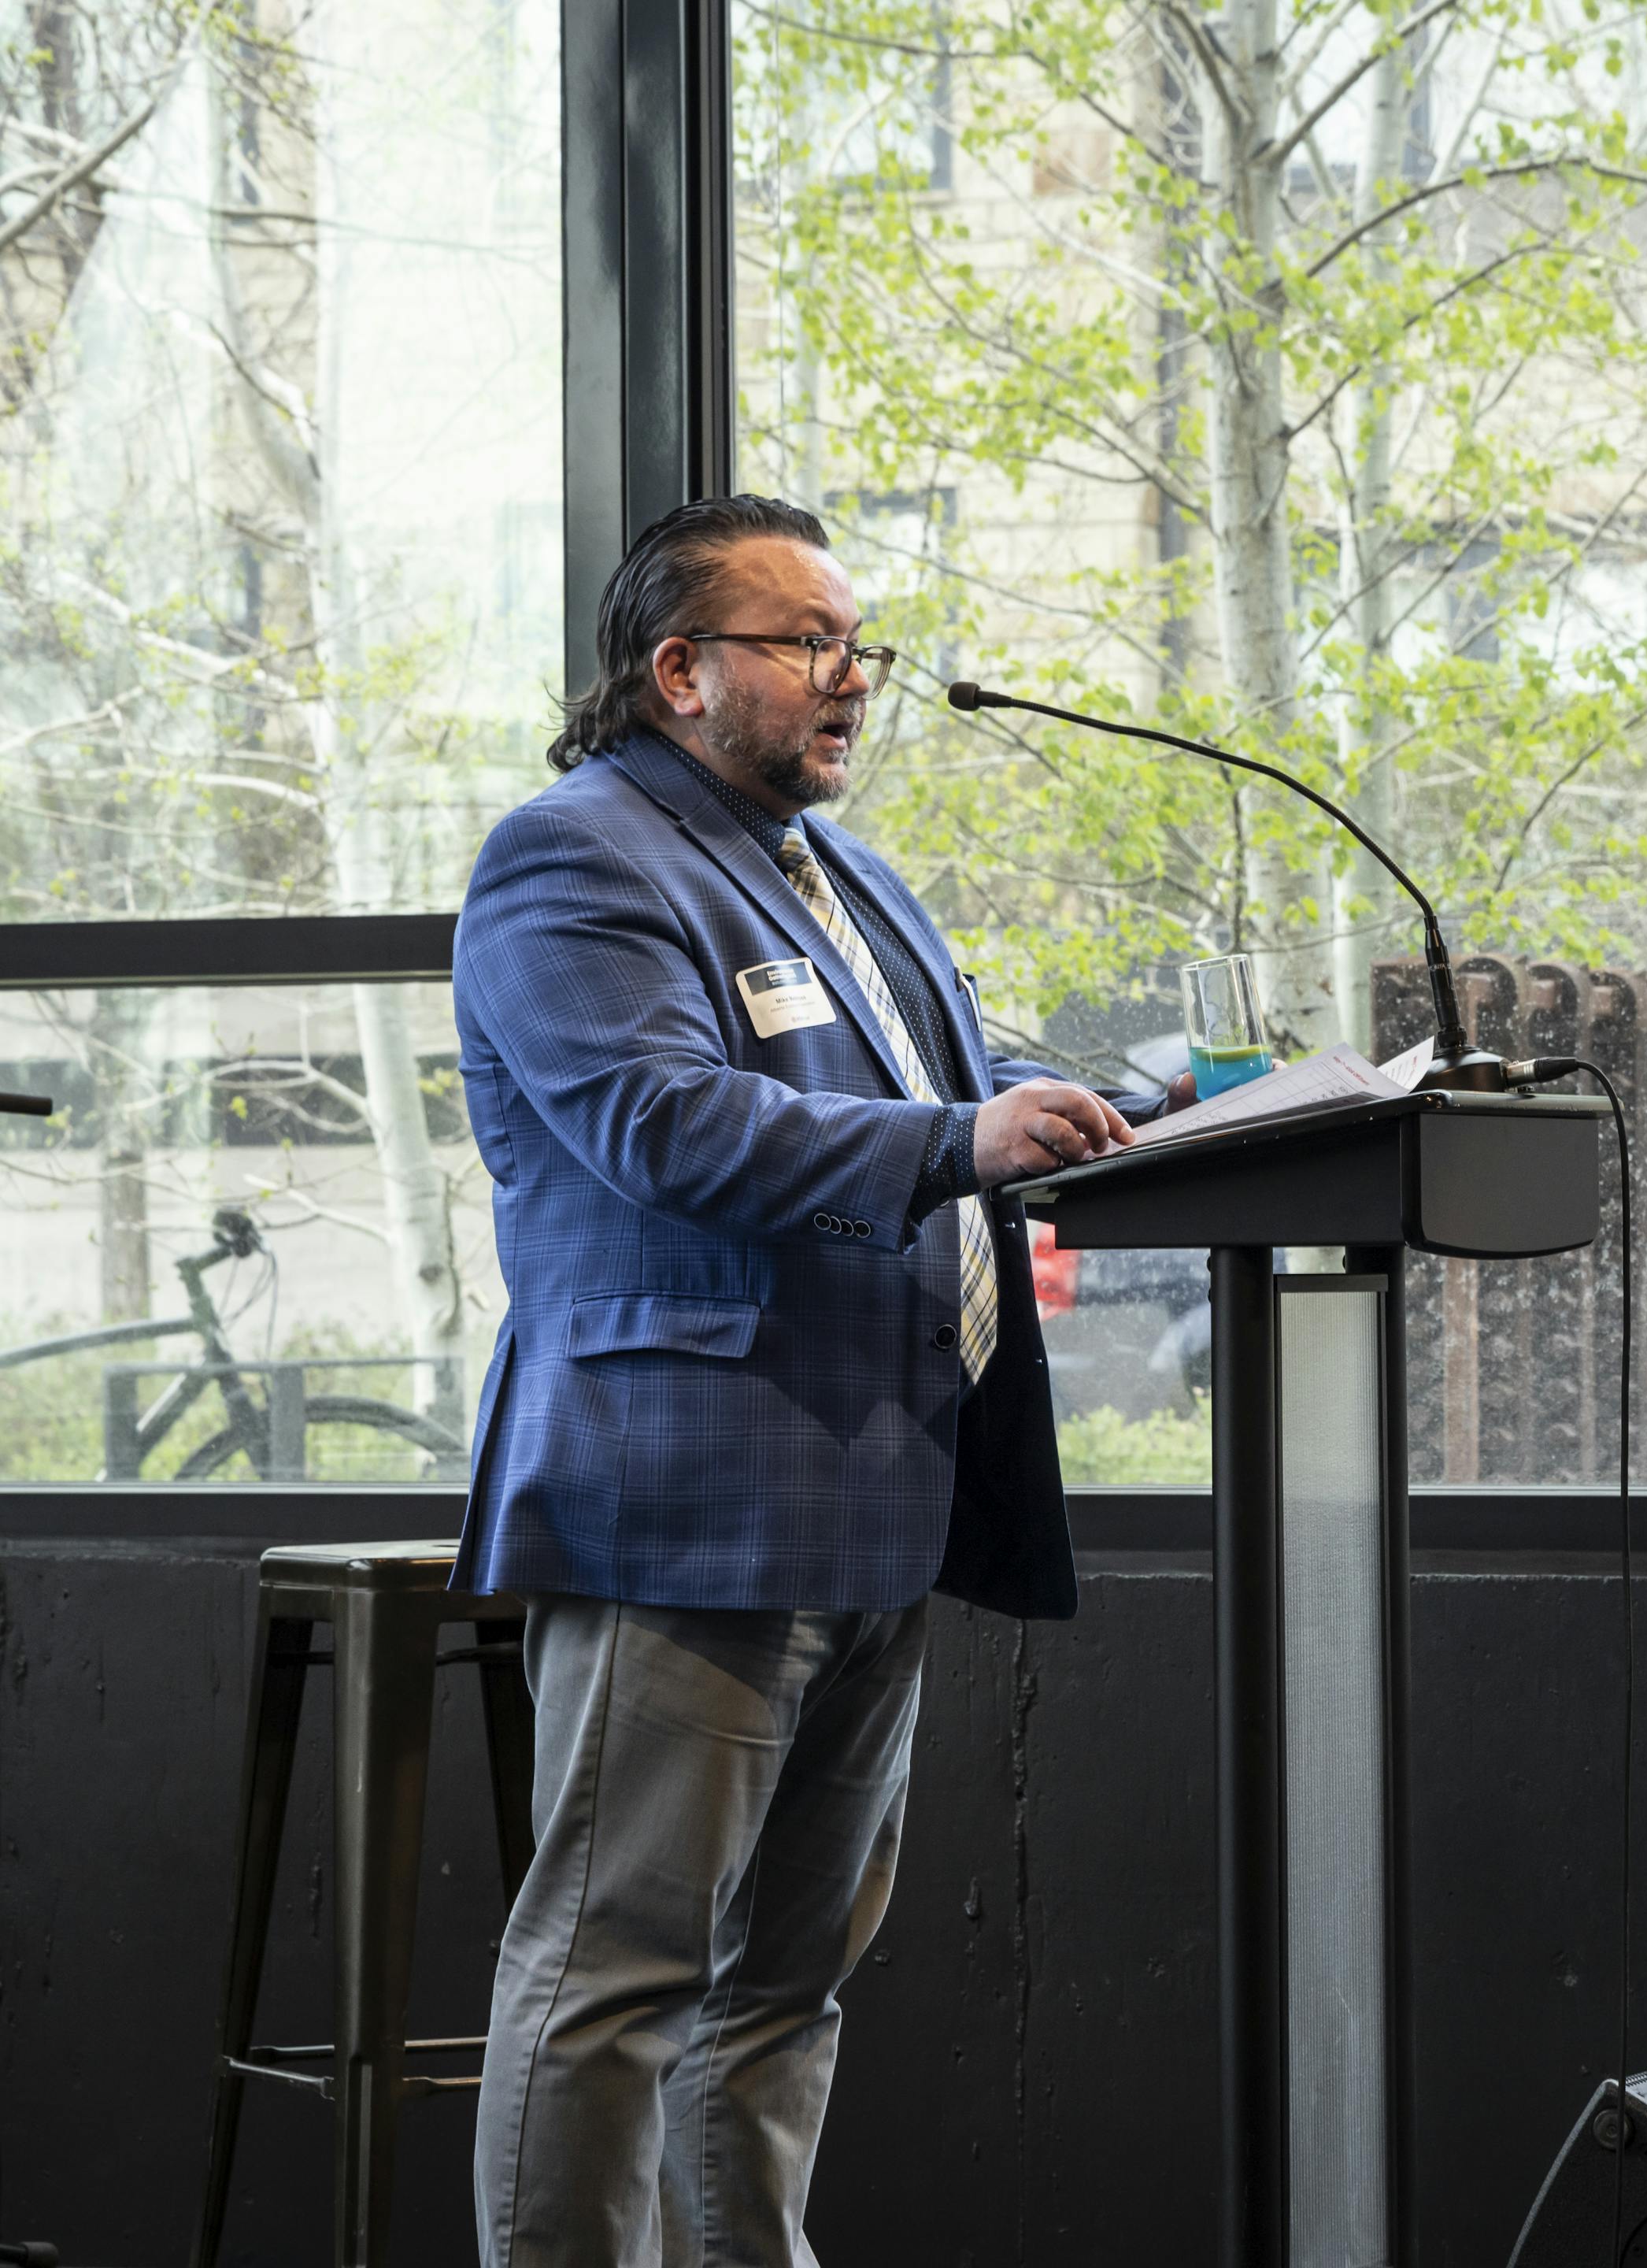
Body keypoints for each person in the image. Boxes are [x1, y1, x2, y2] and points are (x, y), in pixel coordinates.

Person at [452, 494, 1183, 2264]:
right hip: (687, 1494)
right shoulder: (579, 856)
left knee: (787, 1989)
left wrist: (1152, 1103)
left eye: (861, 644)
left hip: (871, 1486)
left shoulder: (837, 871)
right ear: (680, 670)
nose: (854, 678)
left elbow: (948, 1075)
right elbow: (661, 1120)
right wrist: (962, 1131)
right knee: (617, 1982)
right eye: (811, 644)